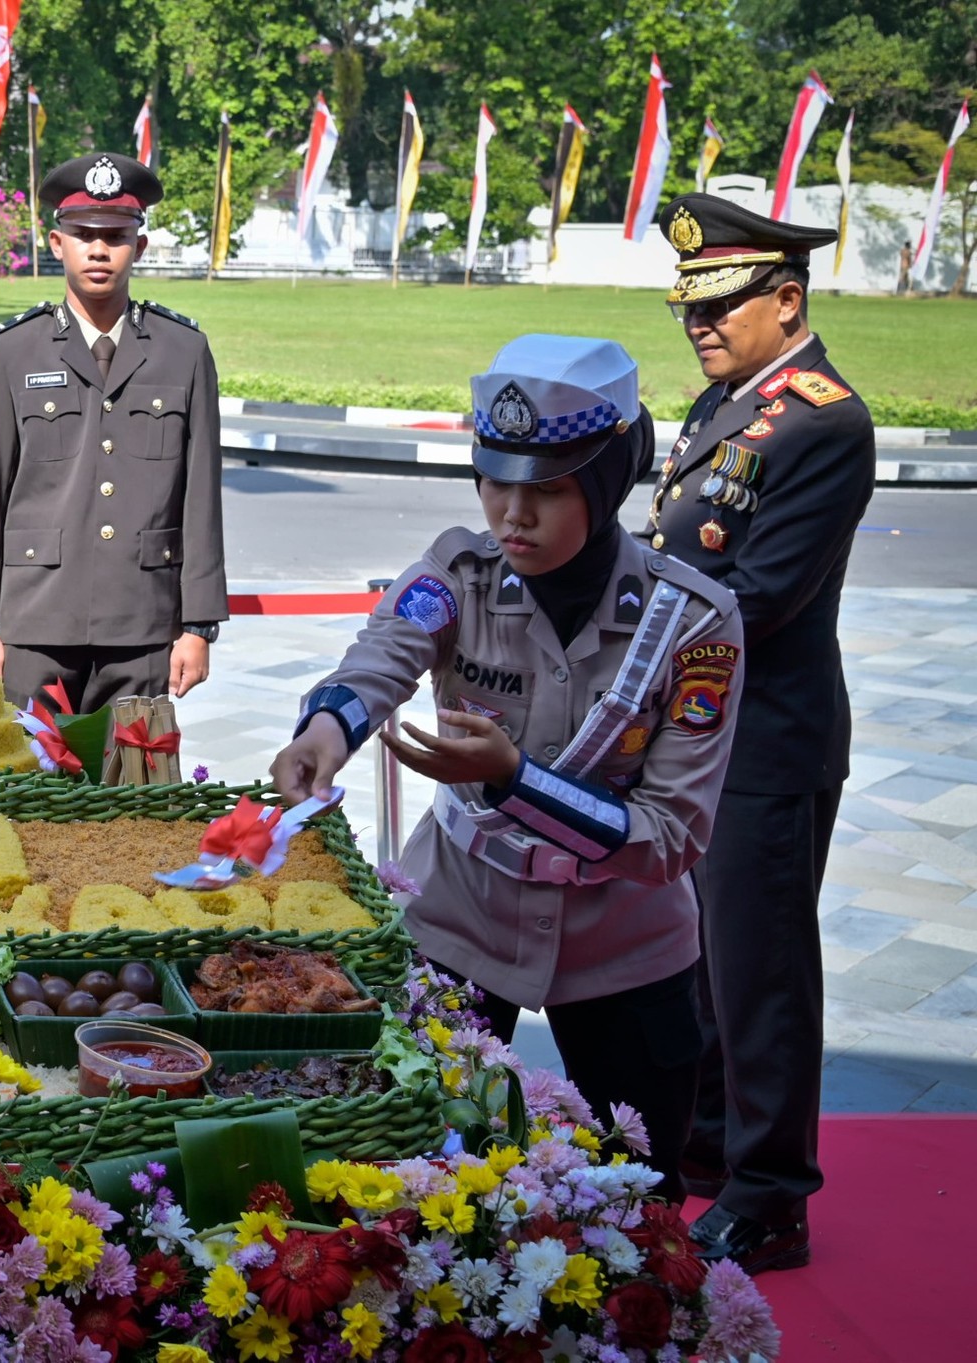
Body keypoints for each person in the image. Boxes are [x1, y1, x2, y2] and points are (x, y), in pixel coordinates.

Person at [272, 336, 743, 1203]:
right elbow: (384, 654)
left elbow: (670, 838)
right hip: (459, 917)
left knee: (637, 1199)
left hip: (626, 948)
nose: (511, 513)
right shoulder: (463, 571)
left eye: (548, 488)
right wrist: (324, 732)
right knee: (406, 1178)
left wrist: (515, 778)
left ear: (604, 485)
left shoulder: (693, 625)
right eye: (495, 479)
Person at [645, 193, 876, 1273]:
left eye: (722, 303)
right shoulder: (723, 403)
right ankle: (705, 1147)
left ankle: (772, 1192)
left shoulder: (822, 419)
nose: (698, 323)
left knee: (758, 972)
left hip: (766, 740)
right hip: (698, 733)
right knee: (694, 959)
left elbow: (759, 591)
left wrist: (626, 613)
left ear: (785, 300)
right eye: (689, 306)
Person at [0, 151, 226, 712]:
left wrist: (199, 625)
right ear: (58, 244)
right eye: (83, 234)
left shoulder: (184, 352)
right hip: (34, 621)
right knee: (31, 793)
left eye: (116, 236)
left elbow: (201, 497)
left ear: (139, 247)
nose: (99, 249)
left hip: (144, 620)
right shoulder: (13, 351)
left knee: (134, 790)